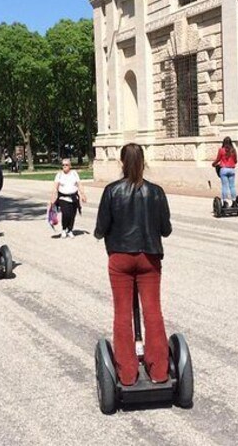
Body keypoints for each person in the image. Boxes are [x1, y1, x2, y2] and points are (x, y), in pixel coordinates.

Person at [94, 143, 172, 386]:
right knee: (152, 312)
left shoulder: (111, 191)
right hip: (149, 256)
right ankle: (159, 371)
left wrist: (103, 233)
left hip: (121, 257)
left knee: (122, 313)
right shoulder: (156, 192)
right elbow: (166, 230)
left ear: (121, 163)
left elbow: (100, 229)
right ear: (144, 162)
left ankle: (127, 374)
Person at [50, 158, 87, 238]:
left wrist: (83, 194)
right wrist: (52, 198)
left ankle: (70, 230)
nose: (64, 166)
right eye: (63, 165)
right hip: (63, 198)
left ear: (70, 166)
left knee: (72, 215)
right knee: (66, 214)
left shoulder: (74, 174)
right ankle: (64, 229)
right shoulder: (59, 175)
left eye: (66, 165)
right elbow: (55, 187)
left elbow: (79, 184)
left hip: (74, 197)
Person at [211, 136, 238, 208]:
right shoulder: (233, 150)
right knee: (232, 186)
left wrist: (213, 164)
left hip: (224, 170)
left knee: (224, 186)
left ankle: (225, 202)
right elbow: (236, 161)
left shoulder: (221, 150)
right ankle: (234, 201)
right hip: (232, 170)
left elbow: (218, 160)